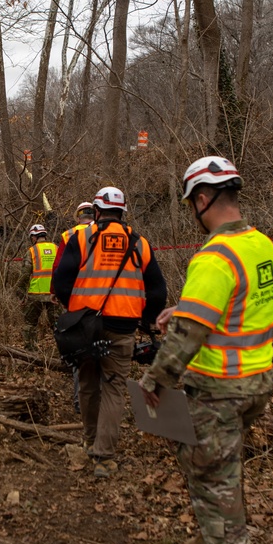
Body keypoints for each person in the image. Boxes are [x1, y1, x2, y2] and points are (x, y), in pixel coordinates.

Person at [138, 156, 273, 544]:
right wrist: (184, 309)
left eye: (190, 205)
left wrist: (156, 378)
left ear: (202, 200)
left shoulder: (214, 257)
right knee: (223, 466)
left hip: (220, 388)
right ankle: (211, 539)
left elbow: (189, 337)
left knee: (211, 473)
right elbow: (236, 303)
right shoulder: (262, 245)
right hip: (258, 381)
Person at [53, 186, 167, 478]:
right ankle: (104, 457)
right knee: (114, 389)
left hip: (86, 327)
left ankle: (90, 440)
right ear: (122, 212)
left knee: (88, 384)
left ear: (96, 211)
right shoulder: (139, 243)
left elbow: (61, 282)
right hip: (123, 327)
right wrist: (148, 319)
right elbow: (157, 290)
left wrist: (74, 310)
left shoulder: (81, 237)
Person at [54, 201, 95, 412]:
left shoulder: (68, 235)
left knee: (80, 349)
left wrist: (57, 293)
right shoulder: (105, 232)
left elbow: (59, 268)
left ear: (78, 216)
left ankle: (81, 401)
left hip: (76, 301)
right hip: (105, 302)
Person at [21, 224, 58, 350]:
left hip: (36, 293)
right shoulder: (57, 248)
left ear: (33, 237)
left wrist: (21, 291)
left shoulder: (32, 251)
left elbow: (25, 274)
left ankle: (30, 352)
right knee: (58, 324)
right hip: (55, 294)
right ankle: (62, 351)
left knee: (30, 324)